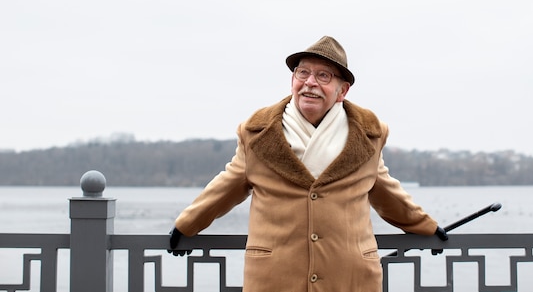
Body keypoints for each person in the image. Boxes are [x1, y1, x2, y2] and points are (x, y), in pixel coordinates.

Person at [167, 36, 448, 292]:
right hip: (274, 278)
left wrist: (426, 227)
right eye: (303, 72)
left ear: (342, 91)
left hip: (351, 279)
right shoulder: (257, 133)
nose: (310, 82)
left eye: (323, 75)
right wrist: (186, 225)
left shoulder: (369, 135)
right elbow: (227, 186)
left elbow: (386, 191)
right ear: (293, 80)